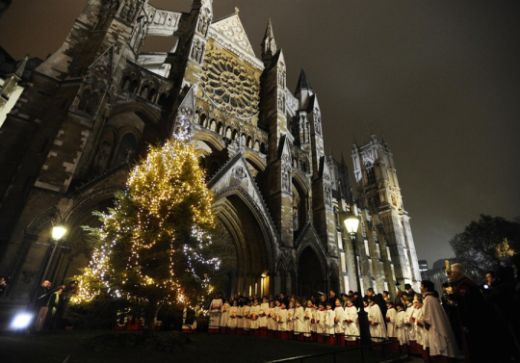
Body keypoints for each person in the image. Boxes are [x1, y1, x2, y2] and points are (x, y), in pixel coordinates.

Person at [419, 280, 460, 362]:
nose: (420, 288)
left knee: (439, 351)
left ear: (426, 288)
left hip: (435, 329)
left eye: (421, 286)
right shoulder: (434, 298)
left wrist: (419, 321)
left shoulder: (427, 299)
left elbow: (427, 319)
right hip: (439, 326)